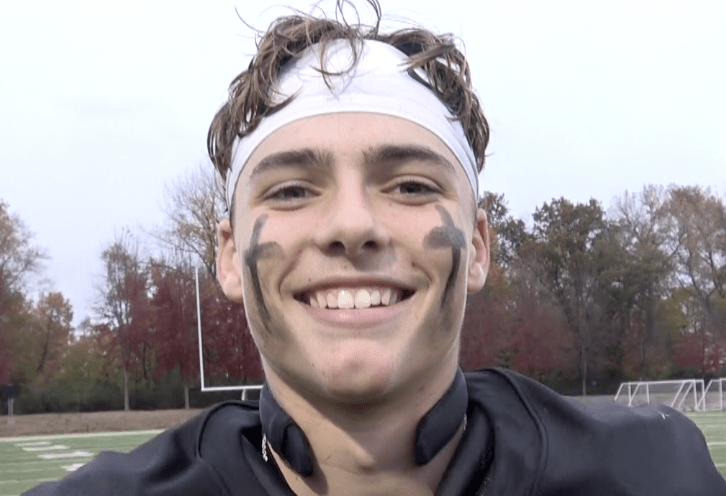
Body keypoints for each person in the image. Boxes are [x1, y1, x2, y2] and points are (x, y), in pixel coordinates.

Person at [24, 1, 725, 494]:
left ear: (479, 246)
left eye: (411, 185)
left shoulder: (653, 475)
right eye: (292, 191)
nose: (352, 224)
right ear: (230, 256)